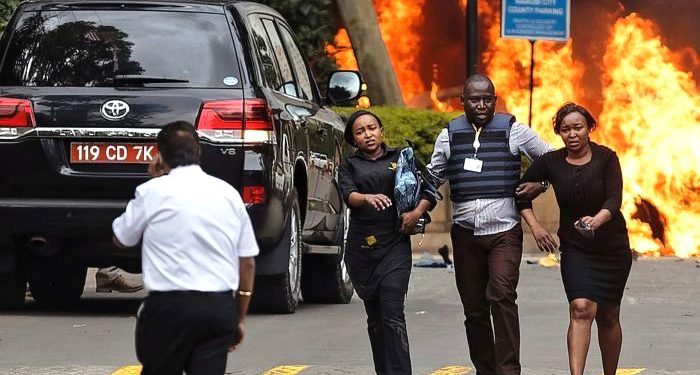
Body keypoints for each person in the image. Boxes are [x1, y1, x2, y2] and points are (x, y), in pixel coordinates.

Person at [426, 74, 552, 375]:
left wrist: (541, 183)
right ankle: (486, 370)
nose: (481, 104)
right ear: (463, 101)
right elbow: (433, 178)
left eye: (487, 99)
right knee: (474, 310)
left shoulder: (514, 130)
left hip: (504, 232)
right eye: (474, 99)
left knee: (502, 295)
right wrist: (413, 204)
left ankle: (509, 371)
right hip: (466, 234)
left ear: (495, 100)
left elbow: (552, 159)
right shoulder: (449, 135)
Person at [111, 121, 258, 375]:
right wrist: (239, 316)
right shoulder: (228, 194)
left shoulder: (151, 192)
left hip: (168, 310)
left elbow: (122, 237)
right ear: (199, 152)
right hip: (217, 308)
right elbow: (247, 261)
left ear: (160, 155)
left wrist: (155, 181)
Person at [516, 103, 633, 375]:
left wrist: (597, 220)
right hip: (576, 249)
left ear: (589, 129)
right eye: (565, 129)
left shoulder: (607, 158)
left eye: (578, 127)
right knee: (580, 308)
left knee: (607, 315)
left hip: (612, 249)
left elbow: (614, 199)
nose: (572, 134)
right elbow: (519, 193)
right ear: (559, 133)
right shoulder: (551, 162)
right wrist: (536, 227)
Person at [338, 110, 436, 375]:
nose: (368, 134)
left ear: (381, 131)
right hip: (362, 252)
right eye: (360, 131)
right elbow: (348, 195)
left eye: (372, 128)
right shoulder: (349, 165)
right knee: (376, 321)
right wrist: (367, 198)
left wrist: (415, 213)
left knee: (393, 315)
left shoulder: (402, 157)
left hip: (395, 247)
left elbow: (429, 191)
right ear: (354, 139)